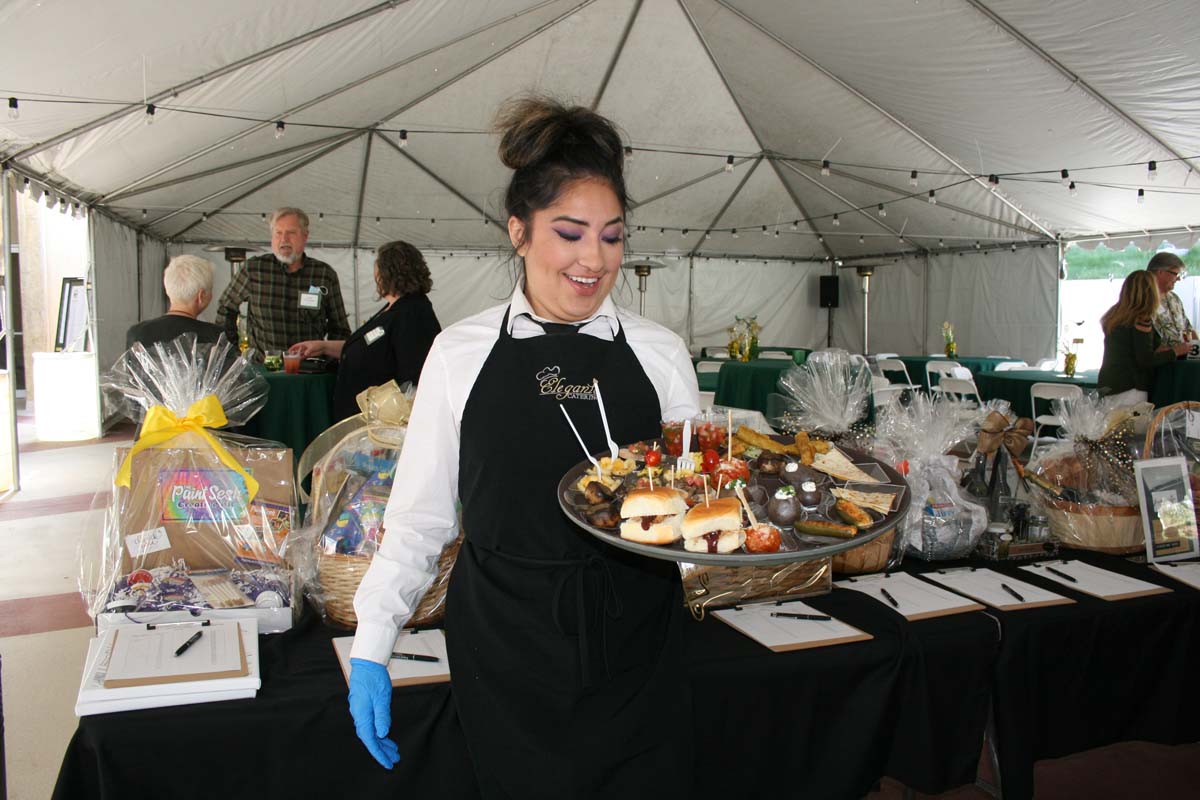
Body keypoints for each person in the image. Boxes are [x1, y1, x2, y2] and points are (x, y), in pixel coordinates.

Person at [348, 97, 699, 796]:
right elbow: (420, 518)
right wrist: (371, 643)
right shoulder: (458, 353)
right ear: (519, 231)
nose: (593, 259)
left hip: (639, 637)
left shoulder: (661, 355)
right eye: (569, 234)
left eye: (612, 236)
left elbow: (697, 501)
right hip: (504, 644)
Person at [290, 240, 441, 421]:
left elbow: (412, 381)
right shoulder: (395, 308)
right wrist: (322, 347)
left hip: (382, 428)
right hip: (363, 421)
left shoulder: (413, 314)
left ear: (386, 273)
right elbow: (369, 348)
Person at [214, 207, 351, 354]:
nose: (284, 239)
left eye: (291, 233)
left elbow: (340, 329)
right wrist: (233, 354)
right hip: (265, 371)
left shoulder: (324, 275)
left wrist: (329, 362)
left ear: (305, 236)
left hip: (310, 371)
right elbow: (225, 308)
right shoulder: (254, 270)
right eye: (278, 233)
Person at [1098, 270, 1189, 403]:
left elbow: (1129, 350)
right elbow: (1145, 360)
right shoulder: (1141, 318)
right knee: (1133, 424)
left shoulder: (1114, 315)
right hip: (1131, 387)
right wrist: (1175, 351)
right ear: (1151, 291)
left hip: (1109, 383)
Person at [126, 255, 224, 349]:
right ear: (201, 296)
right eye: (211, 290)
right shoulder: (216, 337)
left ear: (168, 289)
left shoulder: (137, 333)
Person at [1147, 251, 1196, 348]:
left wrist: (1196, 353)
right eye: (1175, 274)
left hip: (1181, 360)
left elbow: (1188, 330)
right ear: (1160, 272)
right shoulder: (1141, 299)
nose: (1178, 279)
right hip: (1159, 361)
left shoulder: (1174, 299)